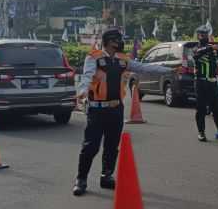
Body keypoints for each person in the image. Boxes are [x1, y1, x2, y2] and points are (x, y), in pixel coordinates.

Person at [73, 27, 172, 196]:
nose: (120, 42)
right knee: (91, 146)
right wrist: (82, 94)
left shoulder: (123, 60)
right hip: (97, 109)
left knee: (112, 146)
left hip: (116, 109)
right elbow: (87, 77)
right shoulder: (94, 57)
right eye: (116, 39)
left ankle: (107, 176)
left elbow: (144, 68)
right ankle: (81, 179)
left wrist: (169, 70)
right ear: (109, 41)